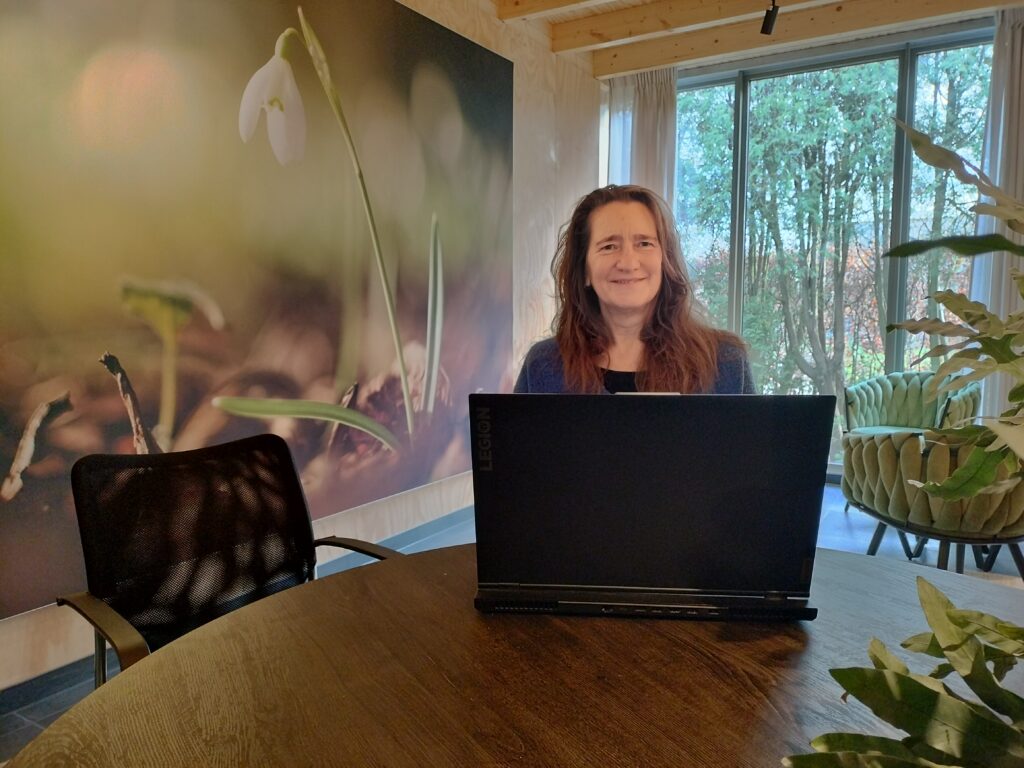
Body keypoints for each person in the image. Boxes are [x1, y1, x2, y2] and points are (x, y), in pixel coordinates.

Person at [514, 184, 754, 394]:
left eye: (644, 243)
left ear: (666, 260)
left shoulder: (726, 363)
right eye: (609, 246)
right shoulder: (542, 366)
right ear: (584, 269)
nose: (628, 263)